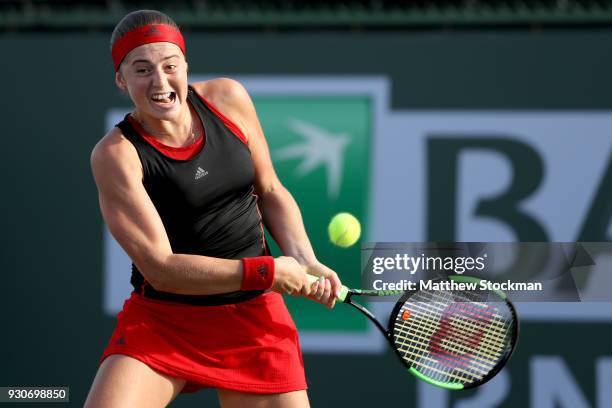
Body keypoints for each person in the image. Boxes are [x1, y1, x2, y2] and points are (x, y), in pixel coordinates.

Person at [85, 9, 342, 408]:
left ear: (185, 65)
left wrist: (305, 259)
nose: (160, 82)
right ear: (121, 80)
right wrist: (270, 271)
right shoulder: (116, 156)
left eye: (171, 66)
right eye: (142, 70)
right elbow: (162, 268)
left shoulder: (228, 98)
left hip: (253, 318)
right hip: (165, 322)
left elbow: (271, 189)